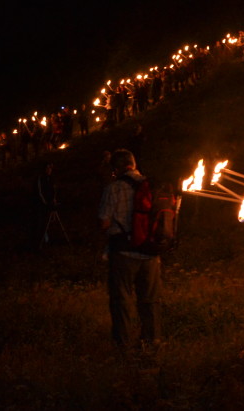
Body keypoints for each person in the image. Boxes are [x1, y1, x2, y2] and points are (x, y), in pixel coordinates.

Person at [98, 149, 162, 352]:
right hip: (151, 253)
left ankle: (124, 345)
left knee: (122, 299)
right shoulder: (153, 185)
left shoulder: (113, 188)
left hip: (123, 253)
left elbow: (104, 223)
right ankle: (151, 342)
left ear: (116, 169)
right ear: (134, 164)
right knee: (150, 300)